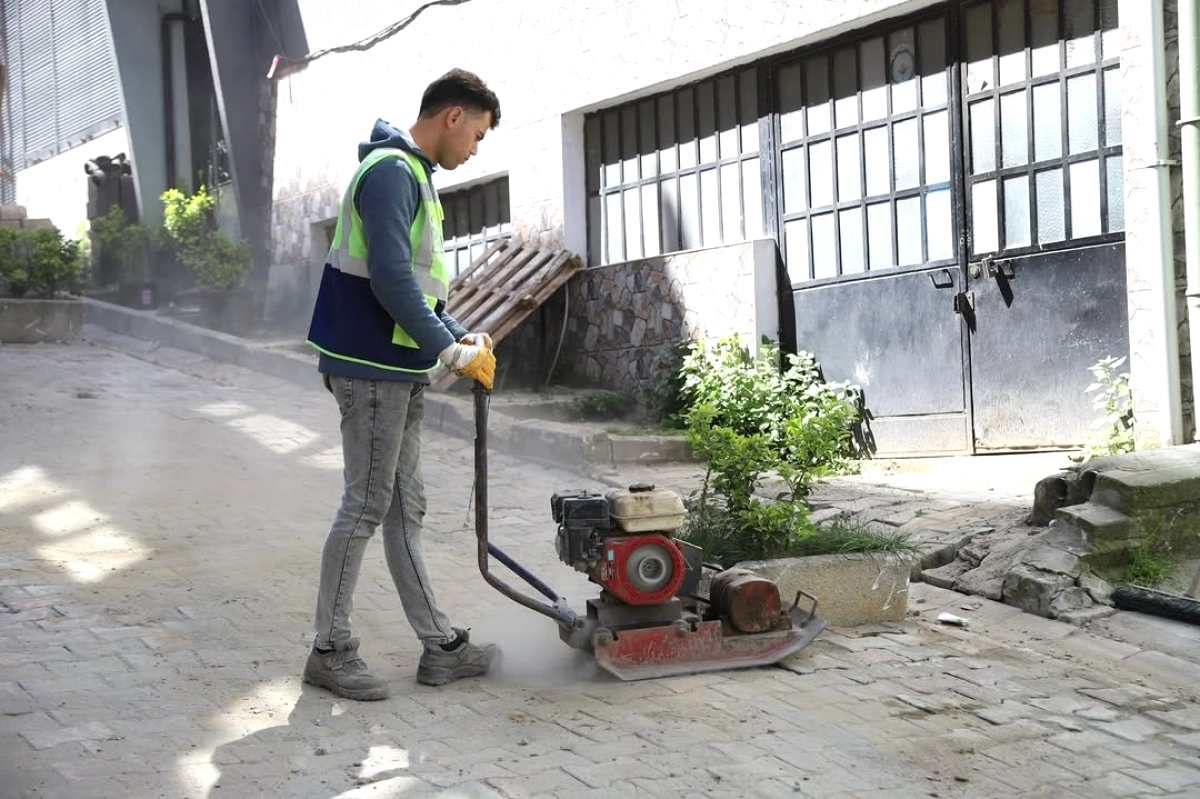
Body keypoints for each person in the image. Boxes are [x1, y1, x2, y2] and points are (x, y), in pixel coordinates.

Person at [302, 68, 501, 699]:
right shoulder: (392, 173)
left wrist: (460, 334)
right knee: (365, 506)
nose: (475, 149)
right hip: (371, 370)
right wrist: (449, 351)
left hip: (397, 367)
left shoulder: (411, 174)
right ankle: (329, 651)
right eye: (477, 134)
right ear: (452, 117)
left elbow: (417, 285)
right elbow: (388, 280)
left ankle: (439, 646)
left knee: (402, 509)